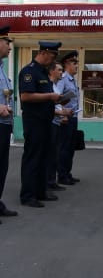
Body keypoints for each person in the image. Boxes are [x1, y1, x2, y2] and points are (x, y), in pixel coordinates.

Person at [19, 41, 62, 207]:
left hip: (46, 121)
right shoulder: (28, 71)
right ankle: (28, 196)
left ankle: (40, 191)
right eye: (52, 55)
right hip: (34, 121)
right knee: (33, 157)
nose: (53, 59)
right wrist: (50, 97)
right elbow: (26, 96)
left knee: (44, 157)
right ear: (44, 52)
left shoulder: (43, 73)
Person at [0, 25, 18, 221]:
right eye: (7, 43)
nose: (10, 47)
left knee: (2, 167)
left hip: (4, 124)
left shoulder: (2, 69)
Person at [46, 62, 73, 192]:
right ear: (52, 71)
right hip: (50, 124)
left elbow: (57, 105)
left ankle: (52, 182)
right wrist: (62, 113)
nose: (62, 72)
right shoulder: (48, 86)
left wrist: (64, 113)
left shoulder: (55, 86)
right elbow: (47, 108)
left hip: (56, 122)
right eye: (59, 70)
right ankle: (48, 182)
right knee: (50, 154)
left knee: (55, 154)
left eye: (62, 70)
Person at [56, 51, 80, 186]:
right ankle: (62, 175)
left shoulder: (72, 79)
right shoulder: (63, 79)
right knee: (64, 148)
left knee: (70, 148)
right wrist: (62, 115)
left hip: (73, 117)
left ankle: (67, 173)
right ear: (66, 64)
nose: (77, 65)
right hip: (65, 118)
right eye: (74, 62)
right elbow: (57, 97)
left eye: (77, 63)